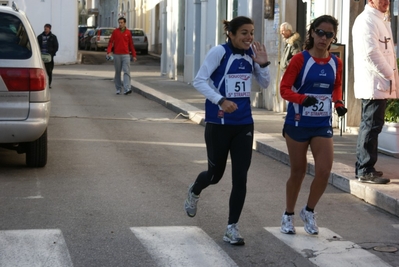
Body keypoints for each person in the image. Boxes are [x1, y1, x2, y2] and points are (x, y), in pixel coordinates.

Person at [184, 16, 270, 246]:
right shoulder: (218, 52)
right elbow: (199, 80)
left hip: (244, 124)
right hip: (219, 124)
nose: (249, 37)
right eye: (243, 32)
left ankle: (232, 228)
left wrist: (263, 64)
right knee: (215, 175)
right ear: (231, 34)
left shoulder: (251, 54)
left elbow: (264, 84)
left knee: (240, 178)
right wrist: (220, 100)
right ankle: (195, 190)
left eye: (251, 32)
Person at [279, 15, 347, 235]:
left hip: (321, 124)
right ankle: (288, 214)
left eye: (329, 35)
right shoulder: (300, 59)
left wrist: (338, 103)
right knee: (298, 172)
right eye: (320, 32)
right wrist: (302, 99)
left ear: (333, 38)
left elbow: (336, 86)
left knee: (324, 171)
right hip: (298, 123)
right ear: (312, 32)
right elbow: (284, 89)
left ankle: (309, 210)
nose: (323, 38)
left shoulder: (336, 62)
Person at [352, 0, 399, 184]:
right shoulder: (366, 20)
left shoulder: (380, 19)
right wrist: (390, 74)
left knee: (374, 125)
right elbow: (371, 54)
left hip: (380, 82)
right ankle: (364, 169)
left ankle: (367, 166)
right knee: (370, 125)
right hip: (374, 83)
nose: (386, 1)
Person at [107, 17, 137, 95]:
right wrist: (109, 52)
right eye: (119, 22)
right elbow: (111, 42)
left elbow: (131, 44)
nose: (120, 24)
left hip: (126, 55)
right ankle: (118, 88)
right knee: (118, 72)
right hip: (117, 55)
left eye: (122, 22)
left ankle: (127, 88)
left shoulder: (128, 32)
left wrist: (134, 55)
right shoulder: (115, 32)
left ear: (125, 23)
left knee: (126, 71)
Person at [37, 23, 59, 88]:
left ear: (49, 29)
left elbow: (56, 46)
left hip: (49, 56)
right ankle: (40, 84)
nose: (45, 29)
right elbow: (36, 45)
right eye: (44, 28)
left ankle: (48, 84)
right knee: (41, 70)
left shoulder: (53, 37)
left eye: (46, 28)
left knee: (49, 70)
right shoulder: (40, 37)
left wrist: (52, 53)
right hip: (41, 56)